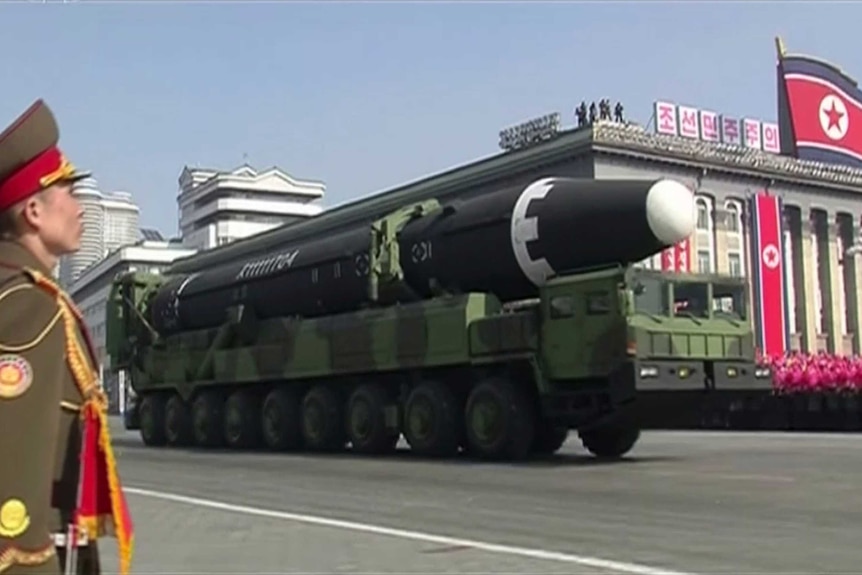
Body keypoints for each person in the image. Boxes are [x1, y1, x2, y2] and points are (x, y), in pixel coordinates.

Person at [0, 99, 111, 575]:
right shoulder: (29, 308)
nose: (79, 205)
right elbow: (13, 474)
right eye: (66, 189)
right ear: (34, 212)